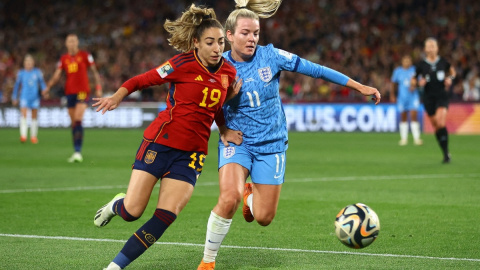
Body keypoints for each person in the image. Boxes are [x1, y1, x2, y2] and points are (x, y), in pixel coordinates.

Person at [197, 1, 381, 269]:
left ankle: (251, 197)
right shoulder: (217, 65)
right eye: (246, 33)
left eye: (256, 33)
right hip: (237, 142)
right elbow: (206, 105)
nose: (252, 38)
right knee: (228, 199)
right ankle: (208, 261)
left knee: (263, 217)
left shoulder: (271, 56)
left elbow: (315, 69)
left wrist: (358, 86)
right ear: (230, 36)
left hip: (271, 144)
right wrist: (225, 119)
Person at [92, 4, 241, 270]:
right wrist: (117, 96)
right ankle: (117, 205)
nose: (217, 48)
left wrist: (225, 128)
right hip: (160, 143)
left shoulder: (229, 72)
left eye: (220, 42)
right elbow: (141, 80)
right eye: (210, 42)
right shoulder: (181, 64)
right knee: (132, 211)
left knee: (164, 217)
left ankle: (113, 268)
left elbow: (215, 107)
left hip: (193, 154)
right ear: (196, 43)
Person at [43, 33, 103, 163]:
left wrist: (98, 87)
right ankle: (76, 151)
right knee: (73, 123)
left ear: (77, 43)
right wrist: (48, 87)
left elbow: (94, 72)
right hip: (69, 93)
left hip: (82, 92)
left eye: (74, 41)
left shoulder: (85, 56)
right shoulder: (64, 58)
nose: (72, 43)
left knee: (77, 118)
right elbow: (57, 75)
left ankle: (78, 152)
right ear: (66, 44)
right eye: (69, 41)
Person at [411, 37, 456, 163]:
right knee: (436, 126)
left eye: (433, 46)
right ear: (425, 49)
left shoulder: (443, 62)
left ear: (437, 48)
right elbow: (413, 80)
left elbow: (452, 71)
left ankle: (446, 153)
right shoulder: (421, 65)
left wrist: (450, 78)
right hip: (428, 98)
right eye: (428, 46)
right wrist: (419, 83)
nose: (431, 49)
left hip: (441, 96)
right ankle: (445, 152)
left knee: (440, 123)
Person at [11, 54, 47, 144]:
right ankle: (23, 136)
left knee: (34, 117)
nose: (29, 64)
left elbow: (42, 83)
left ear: (33, 63)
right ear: (24, 63)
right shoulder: (21, 73)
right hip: (24, 97)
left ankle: (33, 136)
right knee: (24, 116)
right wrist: (14, 97)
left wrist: (45, 91)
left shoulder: (37, 72)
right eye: (27, 62)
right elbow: (16, 86)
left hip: (34, 97)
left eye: (30, 62)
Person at [390, 55, 422, 146]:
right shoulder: (397, 71)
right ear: (402, 62)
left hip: (413, 97)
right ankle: (404, 139)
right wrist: (392, 94)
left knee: (413, 116)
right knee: (403, 117)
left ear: (411, 62)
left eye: (408, 61)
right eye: (405, 61)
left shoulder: (414, 70)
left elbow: (419, 82)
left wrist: (414, 85)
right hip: (402, 97)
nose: (407, 62)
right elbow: (393, 83)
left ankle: (417, 138)